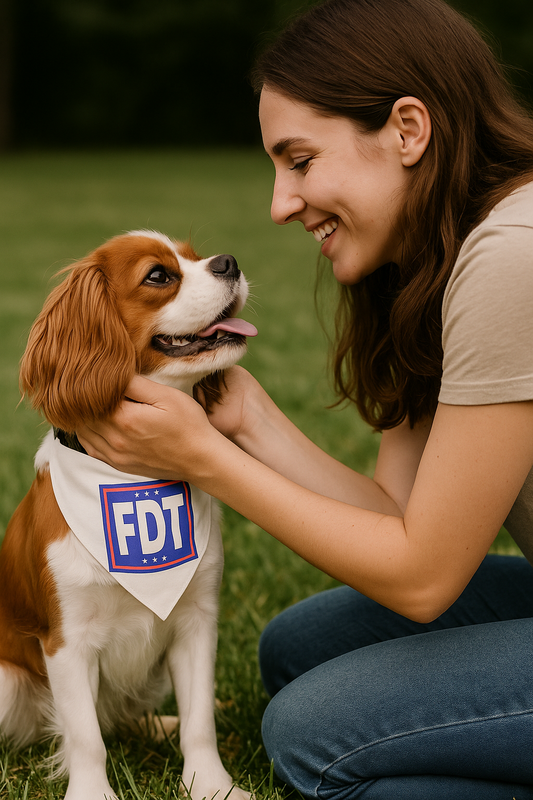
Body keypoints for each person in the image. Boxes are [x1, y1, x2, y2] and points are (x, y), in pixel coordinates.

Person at [78, 0, 533, 795]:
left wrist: (206, 461)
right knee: (299, 647)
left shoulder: (512, 258)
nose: (280, 204)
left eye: (299, 160)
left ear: (407, 130)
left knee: (312, 728)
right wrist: (247, 419)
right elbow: (398, 514)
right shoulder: (445, 255)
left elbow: (422, 579)